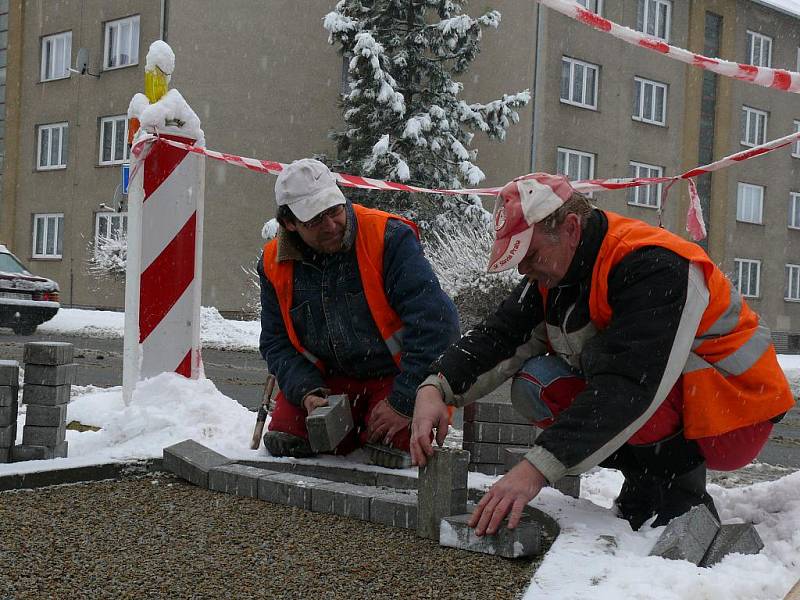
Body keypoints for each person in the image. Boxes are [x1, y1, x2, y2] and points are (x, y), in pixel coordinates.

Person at [411, 172, 793, 534]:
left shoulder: (653, 264)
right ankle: (644, 480)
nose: (525, 270)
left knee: (622, 377)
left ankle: (681, 499)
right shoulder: (557, 267)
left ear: (571, 228)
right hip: (682, 398)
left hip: (737, 411)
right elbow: (500, 334)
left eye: (531, 255)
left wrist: (537, 468)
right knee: (537, 384)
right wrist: (435, 387)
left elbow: (631, 382)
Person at [259, 158, 460, 464]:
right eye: (315, 220)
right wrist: (307, 393)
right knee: (290, 439)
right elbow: (276, 343)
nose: (331, 226)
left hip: (397, 375)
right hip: (327, 382)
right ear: (290, 224)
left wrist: (404, 401)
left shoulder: (388, 238)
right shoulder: (274, 263)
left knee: (397, 445)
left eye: (334, 210)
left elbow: (438, 325)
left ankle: (376, 421)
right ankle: (352, 425)